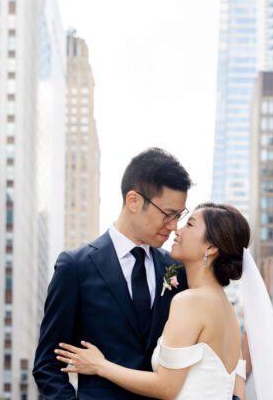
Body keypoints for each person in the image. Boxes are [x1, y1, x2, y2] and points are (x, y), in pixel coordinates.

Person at [33, 148, 193, 399]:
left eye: (179, 216)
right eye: (168, 214)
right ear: (133, 201)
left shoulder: (178, 271)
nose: (174, 227)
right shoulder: (75, 267)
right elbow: (48, 365)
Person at [54, 202, 251, 400]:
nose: (177, 230)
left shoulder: (190, 302)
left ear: (211, 247)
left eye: (189, 225)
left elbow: (166, 387)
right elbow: (238, 393)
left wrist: (100, 365)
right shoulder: (229, 311)